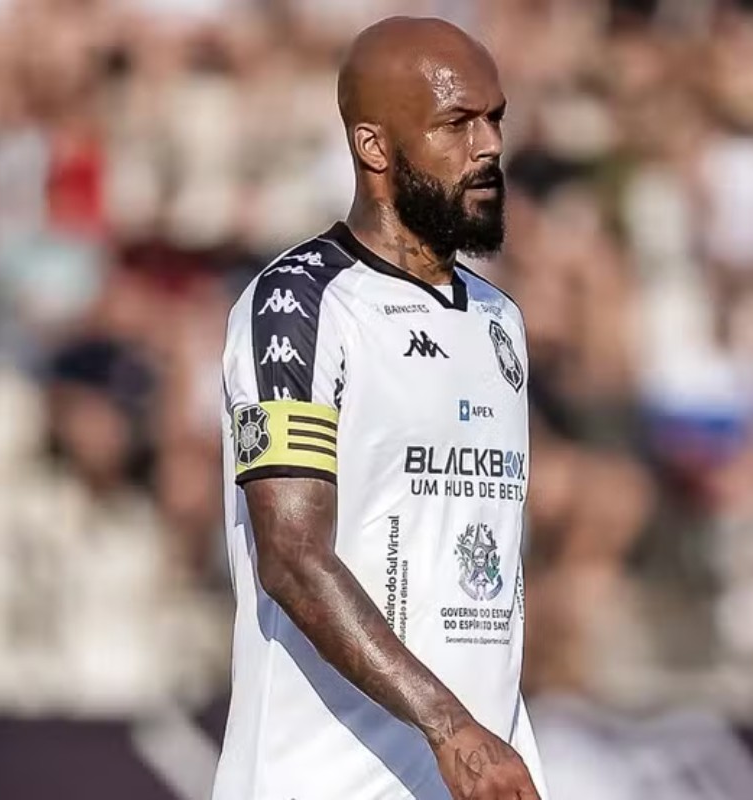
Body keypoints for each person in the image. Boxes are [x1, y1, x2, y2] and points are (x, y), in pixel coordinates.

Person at [214, 16, 548, 800]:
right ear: (374, 146)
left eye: (495, 118)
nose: (489, 146)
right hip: (321, 780)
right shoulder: (299, 306)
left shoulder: (499, 320)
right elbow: (292, 557)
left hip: (467, 777)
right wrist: (450, 727)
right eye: (455, 123)